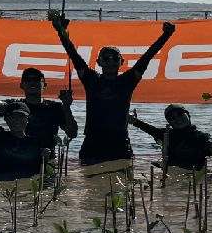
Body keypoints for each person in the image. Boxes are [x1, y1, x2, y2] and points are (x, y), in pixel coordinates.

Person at [52, 16, 175, 164]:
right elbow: (73, 54)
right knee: (90, 184)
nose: (111, 61)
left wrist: (166, 35)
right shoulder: (91, 79)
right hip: (93, 143)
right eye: (106, 58)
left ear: (121, 62)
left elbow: (148, 56)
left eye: (115, 58)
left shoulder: (128, 81)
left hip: (119, 143)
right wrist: (61, 30)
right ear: (99, 62)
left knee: (123, 184)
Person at [0, 62, 77, 154]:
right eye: (28, 79)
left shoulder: (55, 108)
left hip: (46, 159)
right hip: (20, 157)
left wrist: (66, 107)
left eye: (36, 79)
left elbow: (72, 133)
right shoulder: (15, 105)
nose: (32, 82)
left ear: (44, 84)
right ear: (21, 85)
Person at [0, 77, 47, 180]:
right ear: (6, 120)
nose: (17, 121)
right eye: (12, 117)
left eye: (21, 117)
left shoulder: (35, 143)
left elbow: (43, 174)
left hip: (25, 189)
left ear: (27, 120)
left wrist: (45, 158)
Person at [129, 104, 212, 171]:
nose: (177, 119)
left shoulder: (202, 137)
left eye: (180, 114)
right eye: (172, 117)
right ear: (169, 122)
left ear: (188, 114)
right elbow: (146, 127)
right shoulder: (165, 135)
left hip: (195, 175)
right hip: (173, 173)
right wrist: (133, 120)